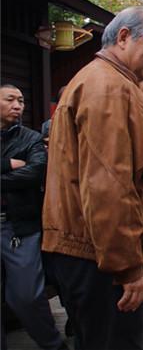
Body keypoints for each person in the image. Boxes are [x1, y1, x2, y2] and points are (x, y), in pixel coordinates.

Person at [41, 7, 143, 350]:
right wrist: (128, 267)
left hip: (95, 253)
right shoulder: (109, 88)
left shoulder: (106, 81)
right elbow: (109, 186)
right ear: (124, 37)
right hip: (103, 260)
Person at [1, 84, 66, 350]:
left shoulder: (31, 138)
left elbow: (36, 171)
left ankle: (52, 344)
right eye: (10, 100)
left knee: (27, 296)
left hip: (18, 226)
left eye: (21, 100)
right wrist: (8, 165)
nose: (18, 105)